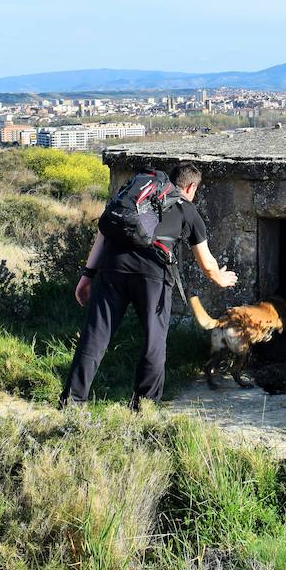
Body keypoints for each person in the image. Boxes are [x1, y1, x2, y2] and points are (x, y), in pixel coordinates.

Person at [60, 162, 237, 409]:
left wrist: (87, 276)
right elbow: (207, 263)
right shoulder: (187, 209)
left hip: (112, 269)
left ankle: (72, 402)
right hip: (152, 276)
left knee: (95, 337)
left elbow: (103, 234)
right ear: (191, 186)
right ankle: (143, 406)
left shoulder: (133, 198)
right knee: (154, 342)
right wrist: (221, 278)